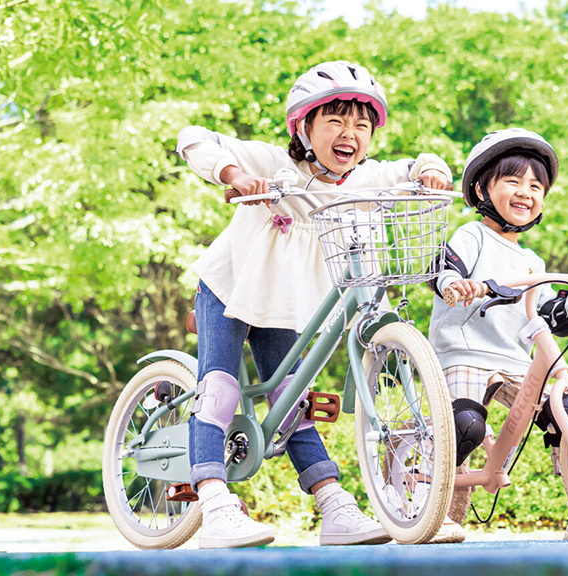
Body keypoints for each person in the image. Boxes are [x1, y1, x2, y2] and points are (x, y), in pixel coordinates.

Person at [176, 61, 453, 548]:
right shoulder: (273, 165)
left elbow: (417, 163)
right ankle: (215, 502)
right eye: (335, 121)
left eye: (361, 125)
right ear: (304, 128)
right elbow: (193, 138)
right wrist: (236, 175)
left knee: (293, 401)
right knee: (218, 387)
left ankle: (334, 505)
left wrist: (430, 171)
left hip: (286, 304)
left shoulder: (368, 179)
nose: (350, 134)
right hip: (232, 287)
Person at [426, 128, 568, 542]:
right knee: (466, 425)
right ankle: (432, 506)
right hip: (465, 353)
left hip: (514, 360)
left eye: (535, 185)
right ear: (481, 189)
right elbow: (444, 267)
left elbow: (547, 316)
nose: (526, 192)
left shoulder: (532, 259)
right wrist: (456, 284)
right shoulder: (471, 236)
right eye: (513, 181)